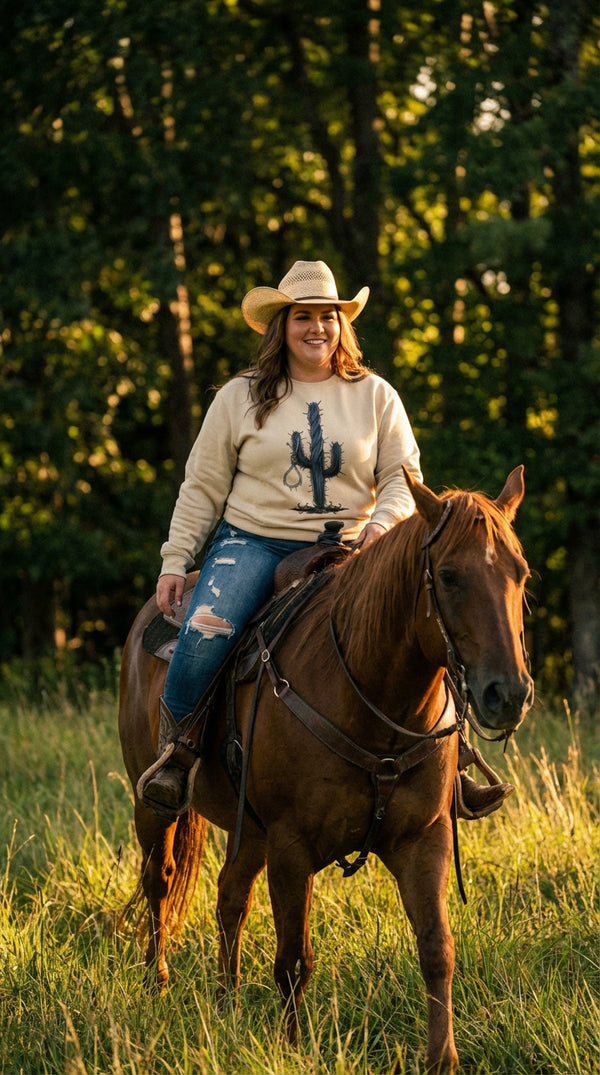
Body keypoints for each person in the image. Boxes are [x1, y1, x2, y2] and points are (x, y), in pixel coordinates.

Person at [137, 259, 513, 820]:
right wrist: (175, 560)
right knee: (205, 634)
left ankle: (450, 767)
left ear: (343, 324)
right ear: (281, 325)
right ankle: (178, 753)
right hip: (253, 542)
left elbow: (402, 477)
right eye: (303, 317)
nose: (317, 328)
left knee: (429, 628)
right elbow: (203, 486)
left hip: (355, 548)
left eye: (328, 317)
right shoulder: (238, 398)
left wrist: (382, 531)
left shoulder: (375, 396)